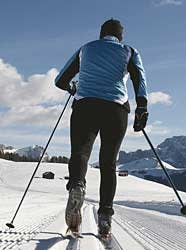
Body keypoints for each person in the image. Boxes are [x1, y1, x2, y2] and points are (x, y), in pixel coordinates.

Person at [54, 18, 147, 238]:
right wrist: (141, 107)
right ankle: (105, 217)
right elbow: (139, 79)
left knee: (80, 153)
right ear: (120, 35)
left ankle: (76, 185)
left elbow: (60, 80)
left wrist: (72, 87)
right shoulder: (129, 51)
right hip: (116, 110)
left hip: (85, 106)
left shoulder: (86, 49)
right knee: (108, 162)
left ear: (101, 34)